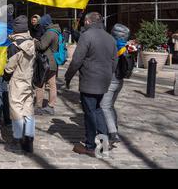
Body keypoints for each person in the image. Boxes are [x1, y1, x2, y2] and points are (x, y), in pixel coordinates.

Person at [65, 12, 117, 157]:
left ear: (88, 21)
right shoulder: (109, 37)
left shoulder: (86, 36)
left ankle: (90, 145)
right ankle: (104, 144)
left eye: (85, 21)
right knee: (97, 110)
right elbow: (114, 61)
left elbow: (76, 60)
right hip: (103, 80)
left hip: (90, 80)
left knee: (90, 113)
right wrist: (107, 74)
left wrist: (68, 77)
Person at [4, 16, 36, 154]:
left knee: (16, 110)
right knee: (28, 109)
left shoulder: (14, 46)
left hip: (17, 80)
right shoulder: (32, 43)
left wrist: (5, 76)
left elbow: (9, 68)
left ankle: (17, 139)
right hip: (29, 80)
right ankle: (28, 140)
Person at [101, 23, 133, 145]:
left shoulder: (113, 46)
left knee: (104, 107)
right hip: (119, 81)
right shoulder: (125, 46)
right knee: (110, 106)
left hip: (111, 80)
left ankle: (113, 133)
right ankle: (114, 128)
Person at [34, 14, 60, 115]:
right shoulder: (56, 31)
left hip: (46, 62)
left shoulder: (49, 33)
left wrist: (35, 41)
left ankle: (39, 106)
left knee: (40, 83)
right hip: (53, 62)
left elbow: (42, 46)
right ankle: (51, 106)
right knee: (52, 84)